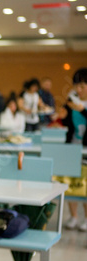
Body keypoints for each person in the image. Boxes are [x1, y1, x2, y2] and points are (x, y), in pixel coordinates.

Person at [60, 68, 87, 231]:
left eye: (83, 86)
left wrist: (82, 110)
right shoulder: (72, 101)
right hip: (72, 146)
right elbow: (67, 124)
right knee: (71, 182)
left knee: (84, 184)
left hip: (86, 150)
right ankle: (73, 216)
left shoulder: (82, 106)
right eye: (77, 86)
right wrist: (64, 115)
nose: (79, 89)